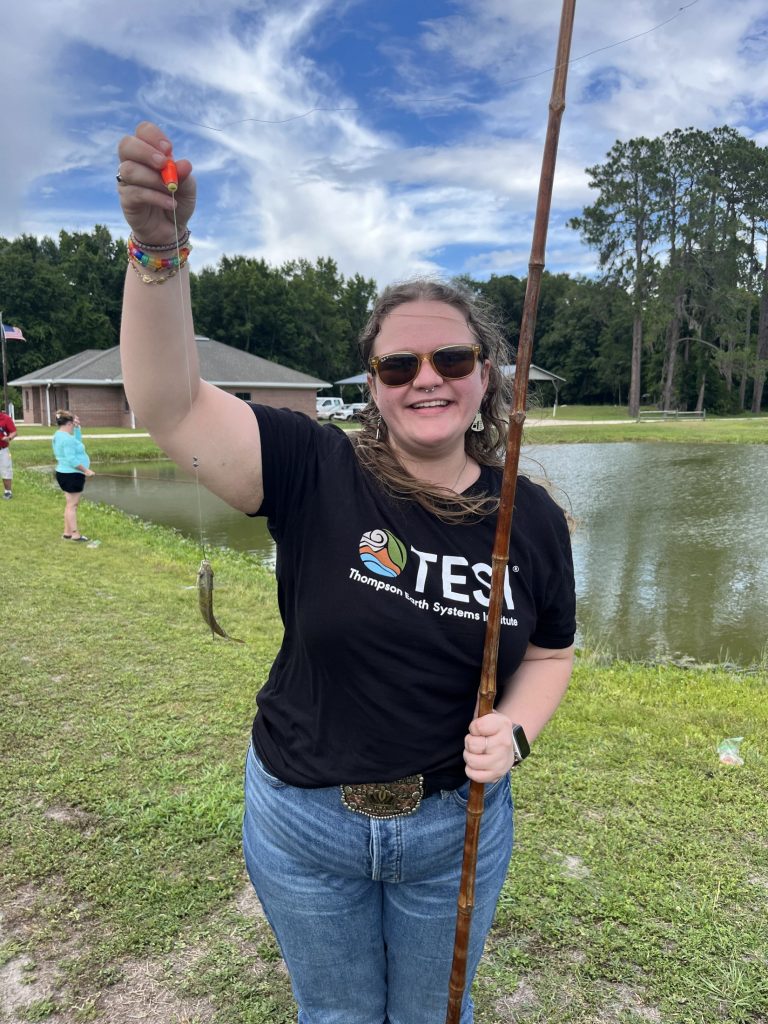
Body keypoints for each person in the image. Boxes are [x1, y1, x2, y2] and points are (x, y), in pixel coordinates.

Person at [117, 121, 576, 1024]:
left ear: (486, 377)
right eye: (398, 364)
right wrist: (157, 252)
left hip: (456, 831)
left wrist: (516, 729)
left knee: (439, 1014)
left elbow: (551, 654)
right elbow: (167, 402)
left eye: (452, 359)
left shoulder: (534, 520)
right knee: (335, 1017)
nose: (426, 379)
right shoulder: (313, 468)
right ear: (373, 384)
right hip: (303, 823)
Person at [52, 410, 95, 541]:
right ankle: (75, 534)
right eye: (74, 424)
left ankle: (67, 533)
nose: (74, 426)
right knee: (73, 505)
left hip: (64, 473)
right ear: (69, 423)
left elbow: (77, 444)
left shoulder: (59, 435)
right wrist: (86, 470)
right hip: (72, 475)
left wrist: (77, 430)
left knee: (70, 504)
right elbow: (71, 459)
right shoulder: (66, 439)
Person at [0, 408, 16, 499]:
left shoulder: (5, 418)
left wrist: (9, 438)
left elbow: (14, 432)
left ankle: (8, 492)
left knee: (6, 469)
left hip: (3, 449)